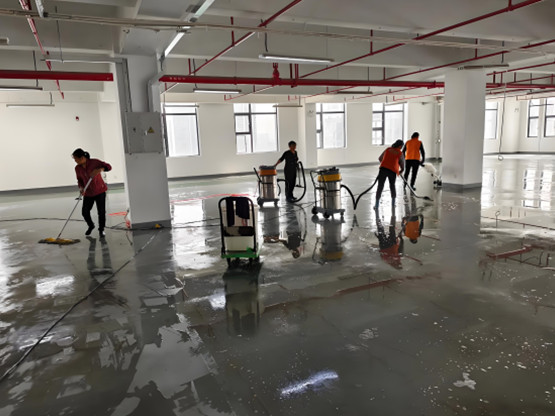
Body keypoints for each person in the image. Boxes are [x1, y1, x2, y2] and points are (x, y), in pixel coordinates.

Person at [72, 148, 112, 237]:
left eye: (76, 159)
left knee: (101, 212)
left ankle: (101, 229)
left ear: (82, 158)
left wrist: (100, 169)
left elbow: (109, 167)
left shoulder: (95, 162)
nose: (75, 161)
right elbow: (79, 180)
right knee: (85, 212)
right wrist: (81, 188)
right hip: (88, 193)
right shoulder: (77, 168)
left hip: (100, 191)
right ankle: (91, 225)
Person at [375, 139, 405, 209]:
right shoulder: (400, 153)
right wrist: (401, 170)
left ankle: (376, 205)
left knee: (380, 186)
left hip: (383, 169)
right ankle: (393, 203)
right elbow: (402, 164)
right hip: (392, 171)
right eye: (402, 146)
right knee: (392, 186)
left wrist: (386, 164)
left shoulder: (388, 149)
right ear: (400, 146)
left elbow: (380, 158)